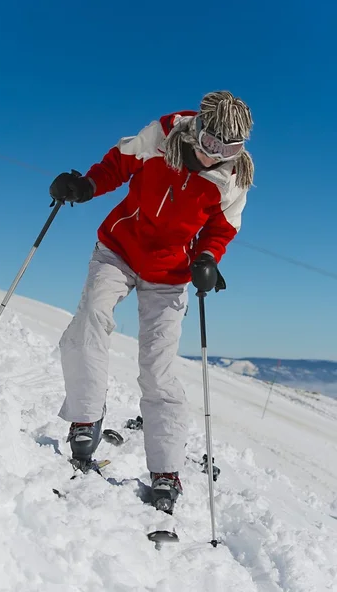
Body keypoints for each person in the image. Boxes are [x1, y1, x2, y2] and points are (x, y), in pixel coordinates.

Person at [50, 90, 254, 513]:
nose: (215, 155)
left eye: (228, 149)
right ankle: (86, 418)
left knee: (158, 368)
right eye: (211, 143)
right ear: (198, 127)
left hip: (169, 274)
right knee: (91, 317)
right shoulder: (165, 134)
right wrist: (88, 185)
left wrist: (207, 258)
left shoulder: (234, 177)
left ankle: (166, 469)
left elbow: (222, 228)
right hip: (119, 248)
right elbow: (120, 163)